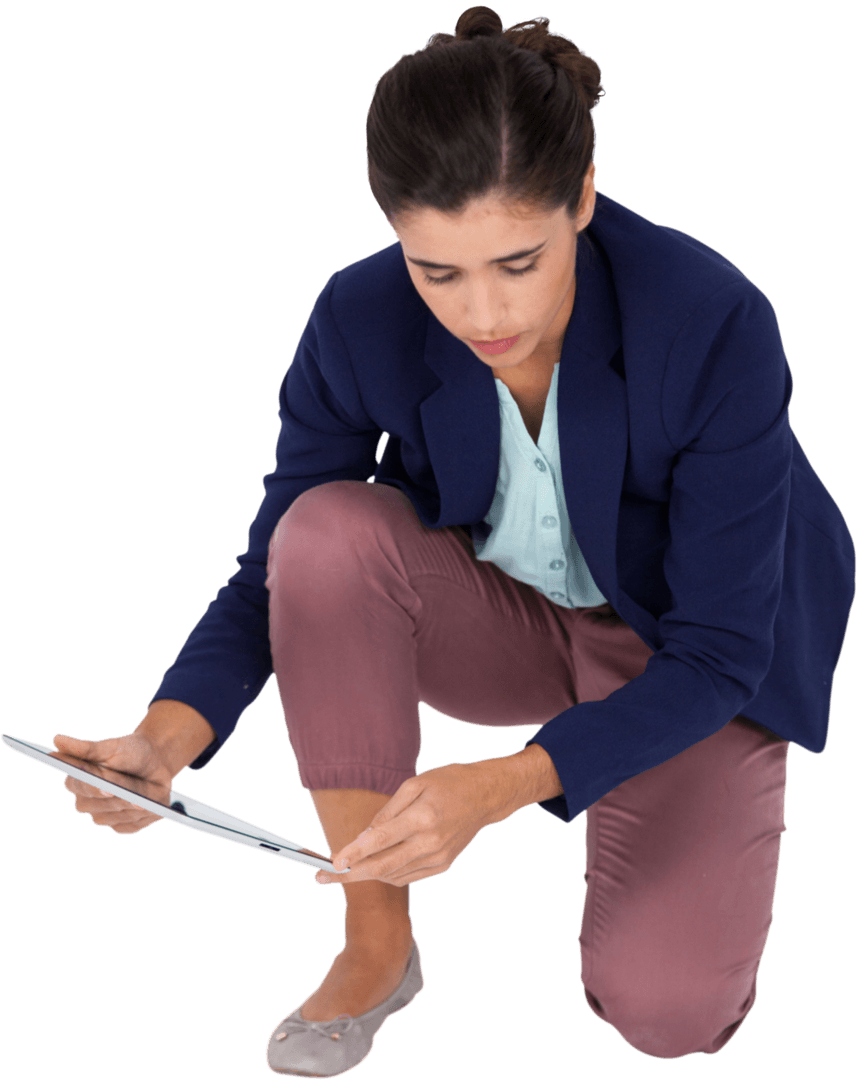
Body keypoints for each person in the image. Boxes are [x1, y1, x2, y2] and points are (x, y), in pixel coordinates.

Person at [53, 5, 855, 1075]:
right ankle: (376, 940)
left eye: (518, 261)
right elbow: (275, 570)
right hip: (503, 618)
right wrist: (165, 736)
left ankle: (681, 848)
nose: (483, 312)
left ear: (581, 197)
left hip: (682, 651)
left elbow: (717, 652)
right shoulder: (355, 318)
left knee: (664, 1010)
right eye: (437, 272)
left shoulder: (710, 321)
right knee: (327, 530)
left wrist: (496, 786)